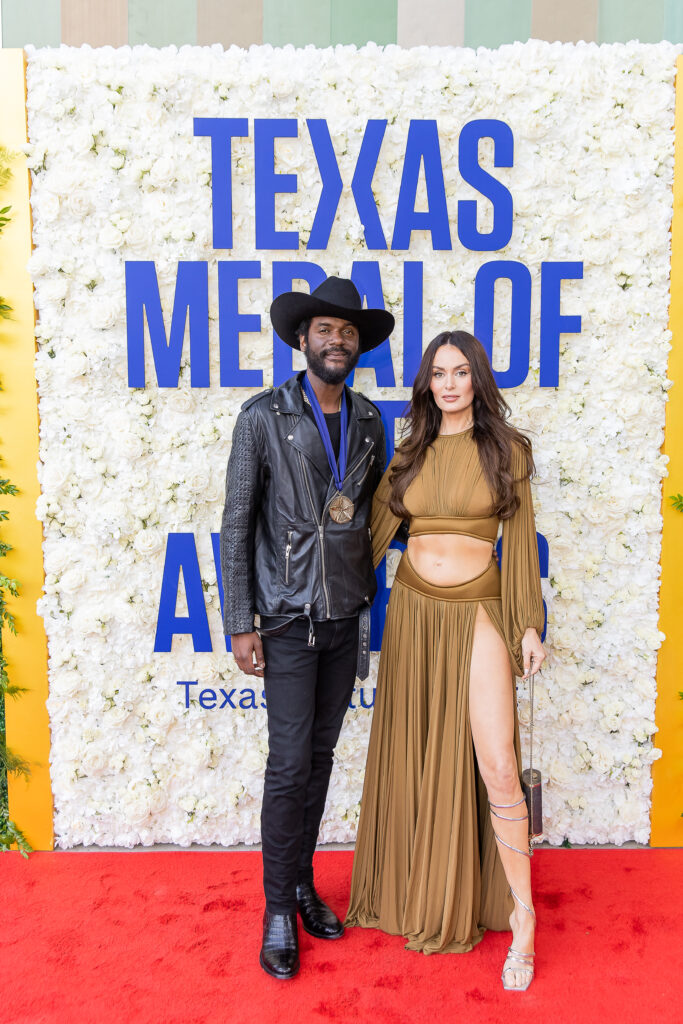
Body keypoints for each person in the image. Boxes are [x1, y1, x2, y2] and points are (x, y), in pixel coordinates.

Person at [346, 330, 546, 992]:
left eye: (461, 372)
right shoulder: (407, 454)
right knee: (416, 750)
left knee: (495, 764)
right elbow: (367, 537)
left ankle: (523, 916)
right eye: (439, 373)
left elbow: (516, 546)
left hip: (478, 610)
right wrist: (320, 588)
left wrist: (527, 626)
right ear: (427, 384)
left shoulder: (506, 451)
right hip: (413, 613)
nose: (450, 383)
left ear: (476, 380)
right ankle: (420, 888)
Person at [221, 276, 393, 980]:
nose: (337, 340)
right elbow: (237, 522)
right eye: (325, 329)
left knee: (318, 761)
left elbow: (375, 516)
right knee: (288, 766)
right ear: (301, 339)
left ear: (358, 347)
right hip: (287, 617)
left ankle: (300, 885)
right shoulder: (262, 416)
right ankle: (274, 911)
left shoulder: (370, 419)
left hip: (343, 617)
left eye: (348, 332)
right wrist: (240, 621)